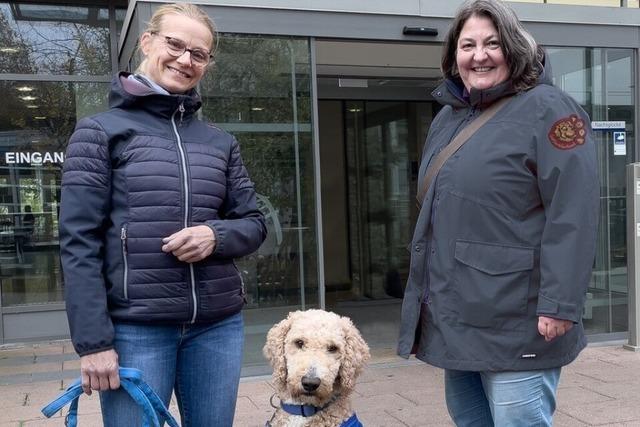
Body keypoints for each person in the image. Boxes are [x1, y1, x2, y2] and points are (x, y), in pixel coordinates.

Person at [59, 3, 266, 426]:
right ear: (147, 42)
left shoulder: (220, 142)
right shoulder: (100, 131)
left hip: (216, 326)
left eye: (199, 53)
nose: (185, 59)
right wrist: (93, 343)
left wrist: (215, 235)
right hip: (136, 330)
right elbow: (78, 244)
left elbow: (255, 222)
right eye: (175, 44)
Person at [397, 1, 598, 426]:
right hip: (459, 319)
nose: (479, 55)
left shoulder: (552, 110)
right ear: (454, 56)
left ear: (514, 47)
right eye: (467, 45)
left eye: (492, 43)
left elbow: (573, 214)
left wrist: (561, 304)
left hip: (518, 320)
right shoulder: (448, 118)